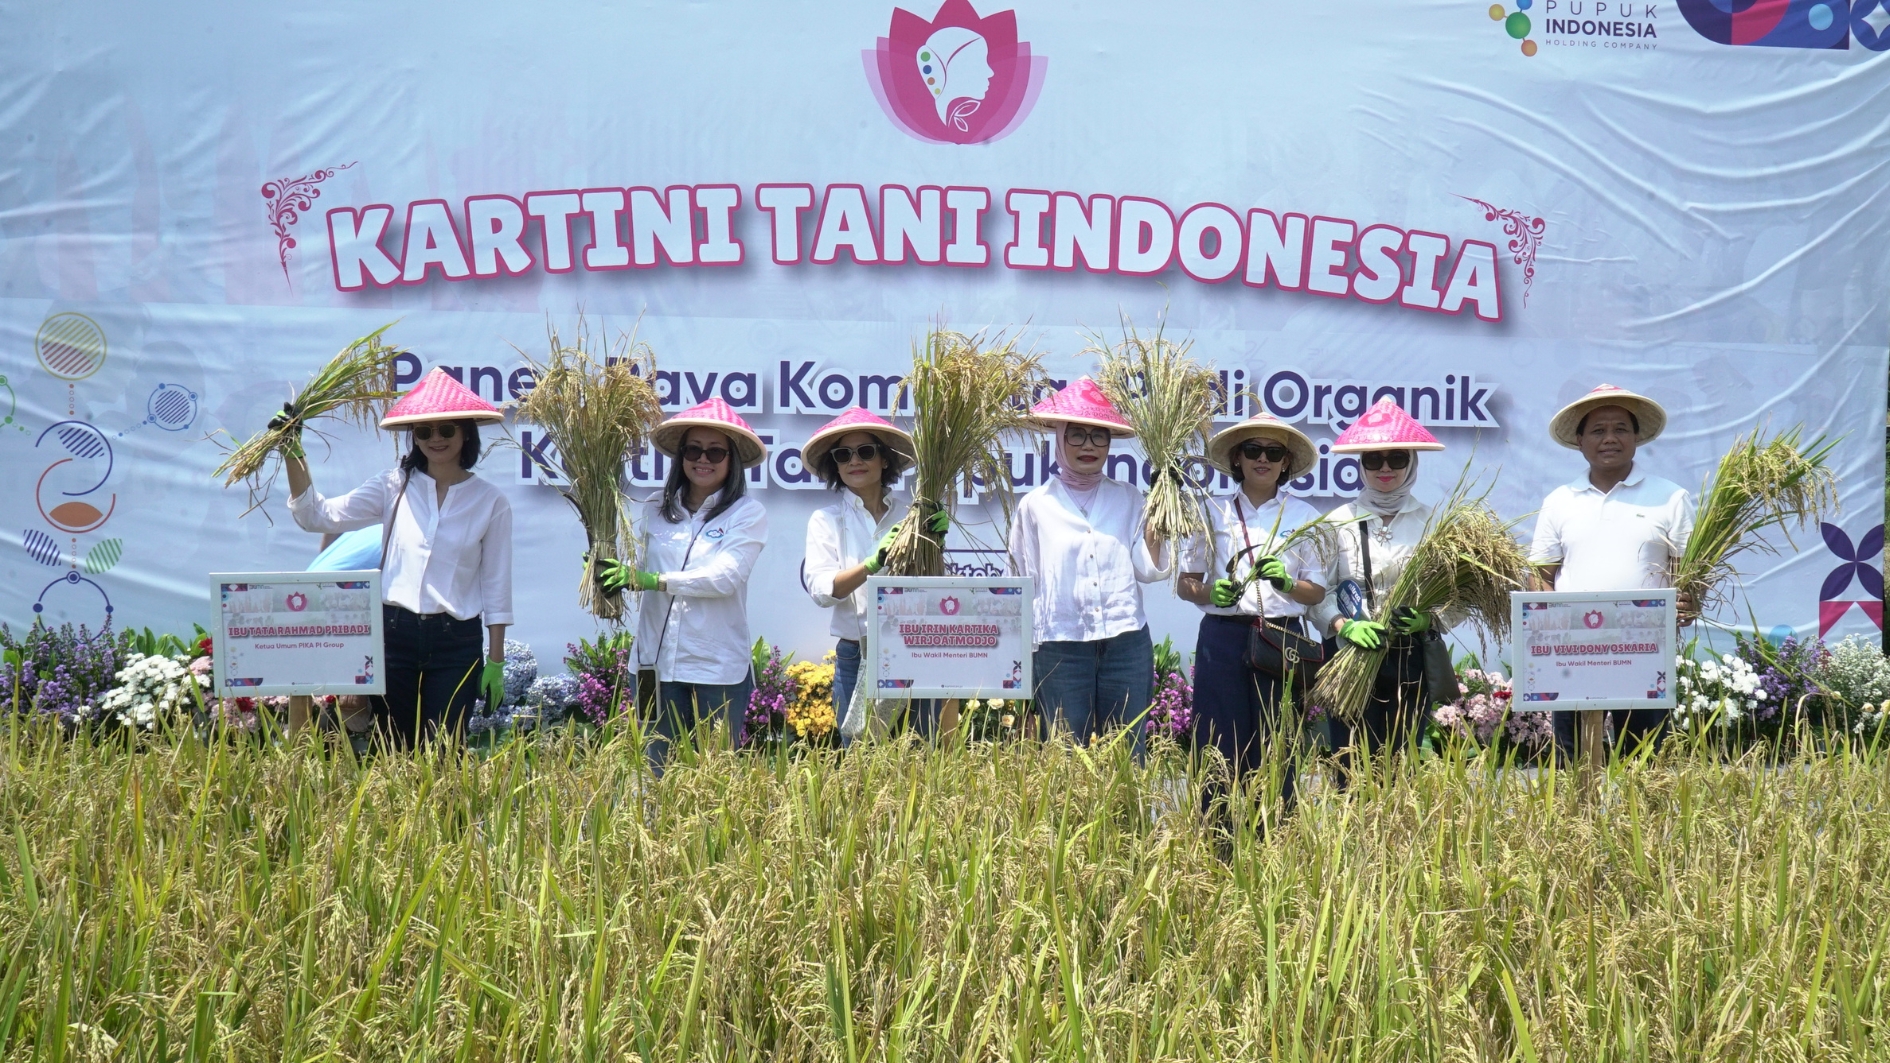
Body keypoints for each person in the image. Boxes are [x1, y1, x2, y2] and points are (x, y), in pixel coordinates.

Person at [285, 368, 512, 749]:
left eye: (446, 429)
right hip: (394, 635)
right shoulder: (393, 485)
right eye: (424, 431)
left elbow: (496, 586)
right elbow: (316, 516)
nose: (435, 439)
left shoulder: (491, 501)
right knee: (394, 750)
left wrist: (497, 660)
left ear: (466, 433)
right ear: (414, 437)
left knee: (444, 751)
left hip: (456, 641)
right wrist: (293, 453)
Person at [1177, 411, 1327, 832]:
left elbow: (1316, 592)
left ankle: (1275, 840)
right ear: (1237, 458)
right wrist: (1211, 593)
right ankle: (1215, 843)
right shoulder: (1211, 511)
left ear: (1286, 462)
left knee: (1277, 744)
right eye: (1253, 450)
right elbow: (1186, 584)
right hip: (1223, 638)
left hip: (1281, 639)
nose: (1263, 459)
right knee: (1217, 743)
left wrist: (1288, 584)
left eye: (1273, 452)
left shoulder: (1304, 515)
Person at [597, 397, 768, 764]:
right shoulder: (654, 508)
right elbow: (636, 566)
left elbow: (725, 577)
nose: (703, 459)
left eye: (715, 452)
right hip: (652, 665)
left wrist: (652, 580)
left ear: (732, 460)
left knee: (715, 775)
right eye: (693, 449)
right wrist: (607, 566)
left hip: (717, 667)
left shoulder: (747, 513)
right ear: (681, 457)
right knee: (654, 770)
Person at [1530, 384, 1694, 754]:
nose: (1609, 438)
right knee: (1573, 758)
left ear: (1636, 437)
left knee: (1643, 756)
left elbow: (1688, 572)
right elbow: (1540, 574)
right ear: (1580, 440)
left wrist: (1689, 602)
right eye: (1598, 430)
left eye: (1620, 429)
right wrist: (1549, 623)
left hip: (1643, 648)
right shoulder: (1559, 501)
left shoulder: (1670, 497)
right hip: (1573, 650)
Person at [1009, 377, 1171, 745]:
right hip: (1060, 645)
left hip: (1125, 643)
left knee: (1126, 752)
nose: (1088, 445)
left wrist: (1160, 509)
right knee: (1065, 755)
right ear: (1059, 439)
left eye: (1099, 436)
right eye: (1077, 435)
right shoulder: (1036, 506)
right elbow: (1021, 582)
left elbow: (1148, 569)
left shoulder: (1129, 498)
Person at [1309, 398, 1453, 777]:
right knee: (1350, 762)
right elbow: (1317, 592)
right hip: (1349, 657)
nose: (1385, 468)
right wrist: (1343, 625)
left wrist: (1428, 619)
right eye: (1374, 459)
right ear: (1361, 465)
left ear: (1412, 463)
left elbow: (1455, 594)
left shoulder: (1432, 523)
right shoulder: (1337, 522)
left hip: (1409, 658)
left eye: (1397, 458)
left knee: (1401, 764)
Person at [799, 407, 949, 739]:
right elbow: (822, 590)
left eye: (865, 451)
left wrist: (934, 542)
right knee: (860, 758)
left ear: (884, 459)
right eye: (843, 455)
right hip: (857, 653)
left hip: (914, 646)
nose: (855, 461)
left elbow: (933, 587)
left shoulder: (912, 514)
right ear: (835, 466)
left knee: (920, 751)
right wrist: (872, 564)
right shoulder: (826, 520)